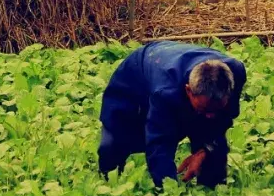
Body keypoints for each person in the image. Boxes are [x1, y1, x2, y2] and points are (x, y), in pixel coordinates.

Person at [98, 40, 246, 188]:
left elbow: (223, 118)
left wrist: (205, 150)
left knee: (213, 147)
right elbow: (160, 144)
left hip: (176, 61)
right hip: (137, 74)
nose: (210, 116)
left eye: (217, 108)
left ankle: (213, 190)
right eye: (204, 109)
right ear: (188, 91)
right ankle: (108, 183)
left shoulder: (235, 72)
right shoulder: (166, 92)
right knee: (113, 143)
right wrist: (170, 191)